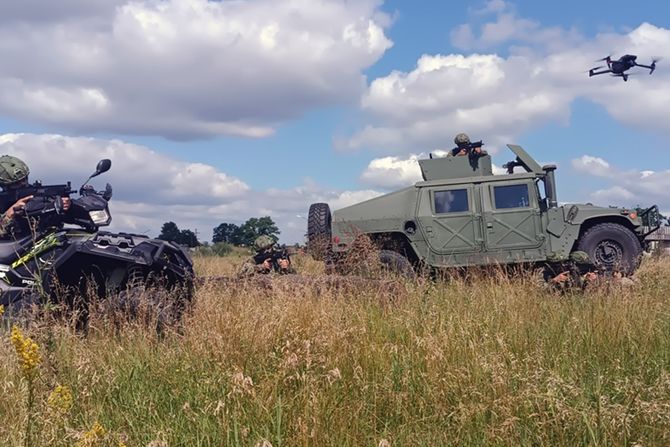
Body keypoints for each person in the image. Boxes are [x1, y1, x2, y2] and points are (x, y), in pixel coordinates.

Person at [0, 155, 70, 239]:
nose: (23, 184)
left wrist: (67, 206)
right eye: (16, 183)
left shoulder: (39, 195)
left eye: (25, 179)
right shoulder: (3, 202)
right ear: (4, 186)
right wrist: (9, 215)